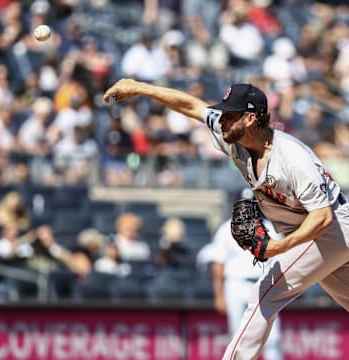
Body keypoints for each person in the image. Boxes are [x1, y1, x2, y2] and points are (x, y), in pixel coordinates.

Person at [103, 79, 349, 360]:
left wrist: (280, 247)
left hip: (332, 226)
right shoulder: (229, 134)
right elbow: (191, 105)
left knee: (265, 292)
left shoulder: (292, 157)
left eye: (230, 115)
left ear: (251, 118)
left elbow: (323, 217)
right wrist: (139, 87)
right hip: (318, 231)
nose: (222, 120)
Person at [198, 188, 284, 360]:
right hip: (236, 284)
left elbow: (281, 261)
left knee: (272, 338)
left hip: (263, 284)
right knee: (237, 336)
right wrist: (219, 295)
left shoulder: (269, 228)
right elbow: (218, 264)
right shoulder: (226, 229)